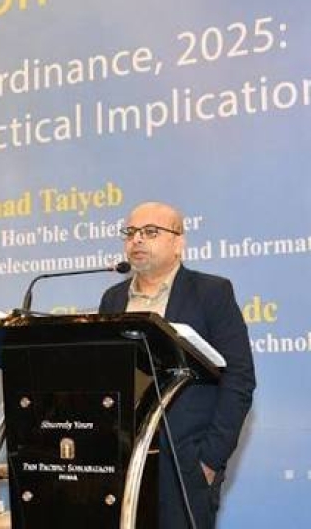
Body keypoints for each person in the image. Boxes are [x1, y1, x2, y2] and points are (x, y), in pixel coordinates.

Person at [99, 202, 256, 529]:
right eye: (131, 232)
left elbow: (239, 379)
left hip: (184, 463)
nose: (137, 239)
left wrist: (209, 459)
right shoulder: (113, 299)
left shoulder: (211, 292)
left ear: (178, 242)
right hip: (123, 462)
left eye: (150, 232)